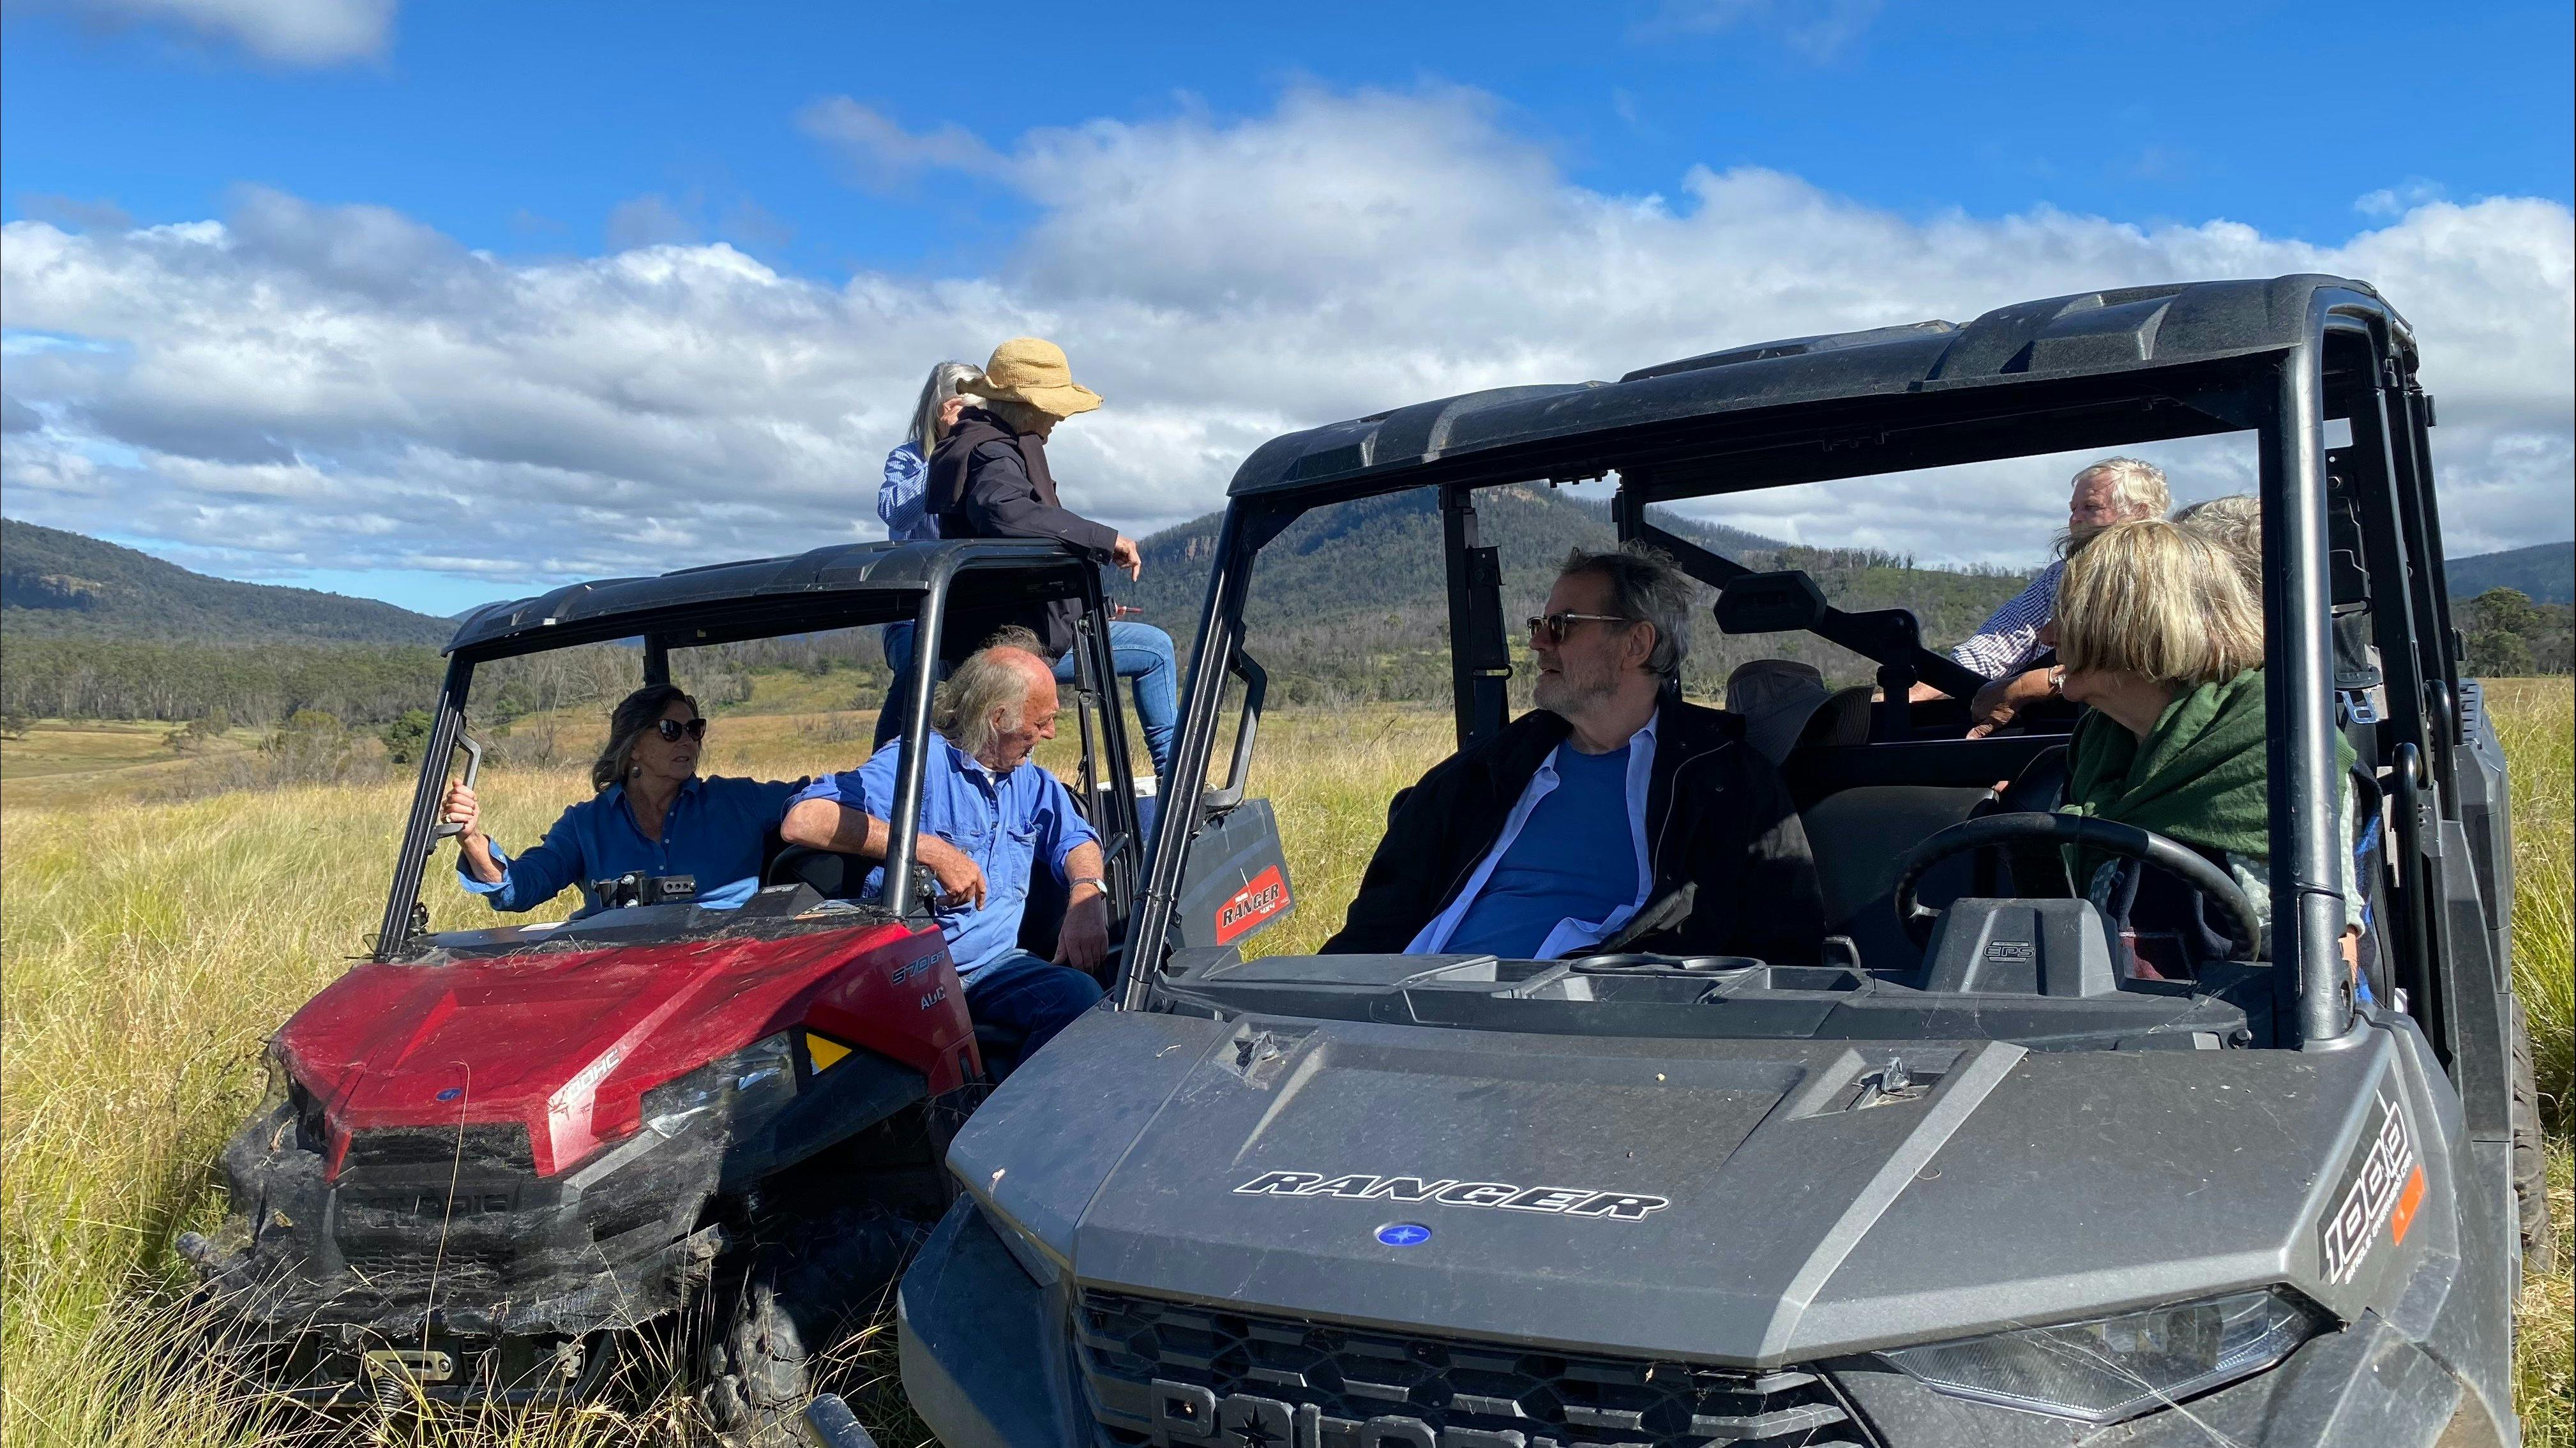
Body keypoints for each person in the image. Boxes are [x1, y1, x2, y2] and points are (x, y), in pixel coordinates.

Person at [1324, 544, 1825, 963]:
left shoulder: (1727, 783)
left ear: (1635, 644)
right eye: (1538, 624)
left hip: (1593, 1037)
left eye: (1562, 625)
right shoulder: (1482, 772)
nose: (1538, 643)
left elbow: (1781, 945)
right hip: (1408, 1015)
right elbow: (1378, 923)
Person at [2040, 518, 2361, 977]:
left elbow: (2324, 973)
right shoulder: (2100, 741)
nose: (2045, 636)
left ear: (2133, 625)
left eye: (2067, 617)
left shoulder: (2274, 749)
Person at [781, 630, 1110, 1062]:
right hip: (917, 977)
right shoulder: (920, 763)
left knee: (1080, 998)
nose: (1049, 733)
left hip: (995, 967)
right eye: (1040, 721)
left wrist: (1087, 891)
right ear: (998, 718)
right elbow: (804, 821)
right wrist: (932, 850)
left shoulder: (1026, 779)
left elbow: (1075, 837)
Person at [885, 336, 1179, 778]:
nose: (1059, 416)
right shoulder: (991, 451)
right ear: (1025, 404)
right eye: (1053, 406)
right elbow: (1008, 513)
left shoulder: (983, 445)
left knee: (1000, 763)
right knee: (1155, 650)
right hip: (1015, 639)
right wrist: (1105, 538)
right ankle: (1178, 785)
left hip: (999, 632)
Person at [443, 685, 804, 917]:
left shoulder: (738, 801)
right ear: (632, 747)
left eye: (694, 730)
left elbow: (822, 795)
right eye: (670, 730)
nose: (688, 741)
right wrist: (472, 839)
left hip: (729, 968)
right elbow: (521, 888)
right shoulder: (586, 826)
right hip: (624, 975)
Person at [1947, 456, 2170, 736]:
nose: (2075, 519)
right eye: (2073, 509)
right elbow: (2000, 642)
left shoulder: (2168, 574)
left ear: (2140, 512)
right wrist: (1932, 682)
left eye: (2091, 507)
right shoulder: (2060, 574)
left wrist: (2046, 680)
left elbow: (2149, 660)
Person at [877, 361, 982, 709]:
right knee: (916, 672)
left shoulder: (987, 458)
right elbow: (894, 511)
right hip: (914, 614)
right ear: (943, 410)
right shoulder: (907, 459)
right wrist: (945, 455)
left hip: (971, 609)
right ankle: (893, 760)